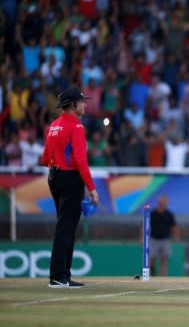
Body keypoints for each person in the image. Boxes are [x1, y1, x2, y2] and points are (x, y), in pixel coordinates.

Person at [41, 86, 99, 289]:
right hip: (70, 177)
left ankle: (62, 275)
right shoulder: (76, 127)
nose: (85, 104)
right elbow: (81, 161)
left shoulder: (53, 126)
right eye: (82, 101)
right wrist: (92, 188)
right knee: (67, 228)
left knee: (64, 226)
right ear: (73, 105)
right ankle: (58, 276)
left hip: (54, 176)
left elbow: (45, 158)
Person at [148, 195, 180, 276]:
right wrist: (142, 237)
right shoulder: (152, 214)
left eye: (166, 202)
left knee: (164, 260)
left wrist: (176, 236)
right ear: (159, 202)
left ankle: (163, 277)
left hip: (165, 240)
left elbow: (174, 227)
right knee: (152, 259)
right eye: (163, 202)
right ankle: (151, 275)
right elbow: (145, 226)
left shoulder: (169, 214)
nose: (165, 203)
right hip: (153, 239)